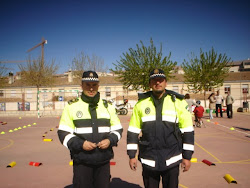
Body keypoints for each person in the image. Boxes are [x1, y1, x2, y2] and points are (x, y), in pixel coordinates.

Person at [127, 69, 194, 188]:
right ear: (149, 84)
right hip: (149, 159)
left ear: (166, 83)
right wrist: (132, 155)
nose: (157, 83)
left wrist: (187, 157)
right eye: (154, 80)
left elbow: (188, 131)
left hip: (171, 159)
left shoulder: (178, 103)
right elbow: (133, 132)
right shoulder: (141, 104)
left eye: (160, 80)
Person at [57, 71, 123, 188]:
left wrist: (110, 140)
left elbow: (118, 129)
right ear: (82, 86)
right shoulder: (71, 107)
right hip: (82, 161)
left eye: (94, 85)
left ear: (98, 86)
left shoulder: (108, 106)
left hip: (103, 161)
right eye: (88, 85)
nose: (91, 88)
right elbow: (63, 133)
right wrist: (81, 144)